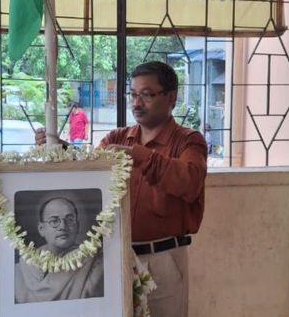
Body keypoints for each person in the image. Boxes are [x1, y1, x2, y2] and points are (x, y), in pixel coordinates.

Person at [36, 61, 207, 316]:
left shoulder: (188, 141)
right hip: (114, 258)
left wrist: (139, 156)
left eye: (147, 95)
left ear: (171, 97)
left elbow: (189, 183)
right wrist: (62, 150)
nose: (137, 103)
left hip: (162, 259)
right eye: (133, 94)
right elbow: (88, 175)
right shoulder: (116, 139)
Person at [15, 197, 104, 303]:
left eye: (70, 220)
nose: (63, 226)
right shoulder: (19, 271)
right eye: (54, 221)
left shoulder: (95, 264)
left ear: (78, 226)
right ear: (41, 229)